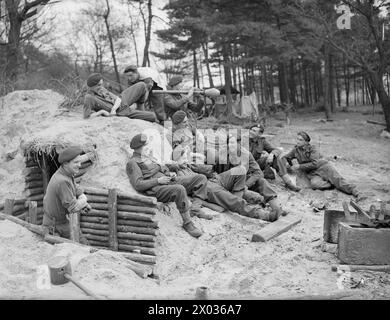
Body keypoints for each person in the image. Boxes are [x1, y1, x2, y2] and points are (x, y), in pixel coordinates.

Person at [126, 133, 210, 238]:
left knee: (200, 178)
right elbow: (138, 184)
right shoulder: (133, 163)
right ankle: (188, 223)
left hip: (168, 181)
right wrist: (158, 181)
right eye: (146, 145)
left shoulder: (148, 157)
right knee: (179, 189)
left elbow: (161, 168)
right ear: (138, 148)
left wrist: (169, 174)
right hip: (156, 189)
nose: (148, 147)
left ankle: (195, 209)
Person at [219, 134, 287, 218]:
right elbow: (216, 172)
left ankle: (276, 208)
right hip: (226, 182)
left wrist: (247, 184)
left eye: (233, 143)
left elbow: (258, 172)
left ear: (239, 143)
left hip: (241, 181)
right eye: (228, 143)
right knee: (247, 196)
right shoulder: (222, 153)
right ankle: (261, 209)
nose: (230, 145)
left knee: (262, 181)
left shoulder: (246, 154)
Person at [281, 131, 360, 197]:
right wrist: (287, 164)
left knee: (338, 179)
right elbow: (285, 157)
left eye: (300, 140)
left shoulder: (313, 148)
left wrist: (299, 166)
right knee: (315, 184)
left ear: (306, 142)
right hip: (311, 172)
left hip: (323, 167)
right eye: (297, 139)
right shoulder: (296, 150)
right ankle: (332, 184)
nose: (297, 141)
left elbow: (314, 164)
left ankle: (355, 191)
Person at [42, 147, 91, 243]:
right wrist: (84, 200)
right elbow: (74, 208)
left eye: (79, 162)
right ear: (65, 164)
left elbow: (74, 186)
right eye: (76, 162)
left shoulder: (66, 174)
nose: (79, 165)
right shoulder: (62, 181)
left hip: (64, 222)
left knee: (84, 245)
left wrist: (81, 196)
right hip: (55, 227)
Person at [83, 73, 157, 123]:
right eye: (99, 85)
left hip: (120, 101)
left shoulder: (101, 89)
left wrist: (113, 109)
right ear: (92, 86)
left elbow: (118, 99)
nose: (101, 87)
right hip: (121, 111)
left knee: (142, 85)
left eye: (101, 84)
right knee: (153, 116)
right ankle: (140, 112)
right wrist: (101, 112)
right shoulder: (89, 97)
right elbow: (87, 117)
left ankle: (140, 107)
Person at [248, 124, 300, 192]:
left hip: (256, 164)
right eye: (251, 130)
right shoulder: (243, 139)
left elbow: (277, 150)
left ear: (260, 134)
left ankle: (288, 183)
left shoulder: (262, 141)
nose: (251, 132)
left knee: (277, 157)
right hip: (245, 166)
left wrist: (272, 154)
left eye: (254, 131)